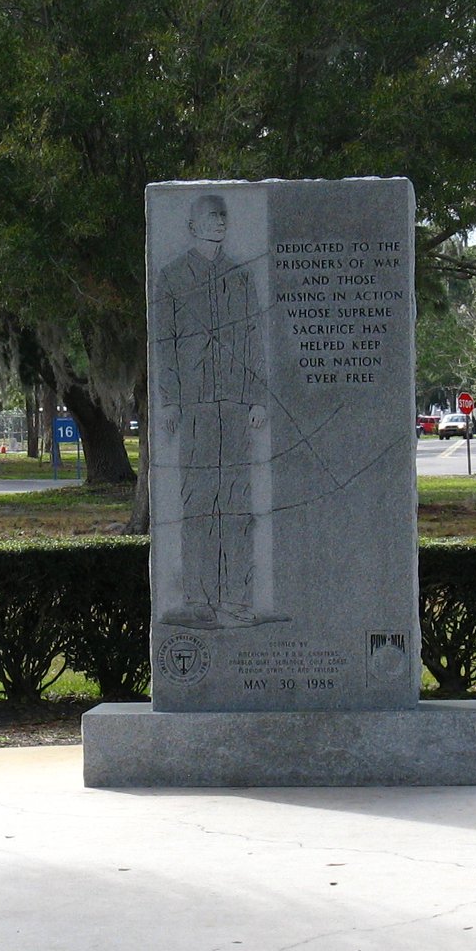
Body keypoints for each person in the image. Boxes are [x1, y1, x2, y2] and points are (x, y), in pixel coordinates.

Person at [152, 193, 273, 628]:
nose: (219, 222)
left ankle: (237, 598)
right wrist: (169, 401)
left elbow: (254, 340)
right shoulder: (172, 277)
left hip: (236, 408)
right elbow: (164, 344)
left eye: (223, 215)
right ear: (192, 225)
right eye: (210, 216)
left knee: (237, 505)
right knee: (198, 504)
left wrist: (257, 397)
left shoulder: (240, 278)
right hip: (196, 409)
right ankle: (199, 598)